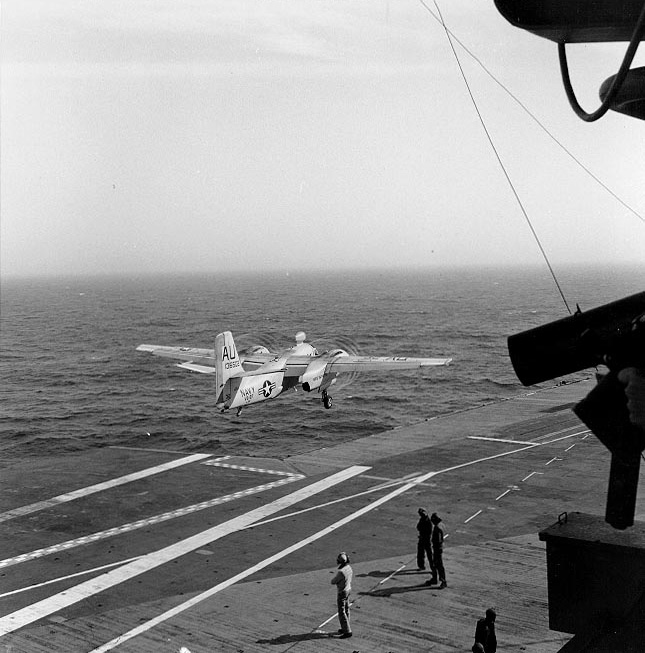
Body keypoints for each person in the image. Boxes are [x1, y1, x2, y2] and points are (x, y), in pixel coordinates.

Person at [331, 551, 353, 638]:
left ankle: (347, 631)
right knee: (347, 609)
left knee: (342, 611)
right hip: (348, 589)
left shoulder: (341, 572)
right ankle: (345, 627)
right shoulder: (349, 568)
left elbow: (333, 581)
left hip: (342, 591)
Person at [426, 512, 446, 588]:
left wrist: (434, 546)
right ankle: (436, 579)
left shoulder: (437, 528)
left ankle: (442, 581)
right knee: (436, 564)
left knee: (438, 565)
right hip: (439, 548)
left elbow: (438, 540)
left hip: (437, 549)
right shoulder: (441, 525)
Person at [416, 508, 436, 581]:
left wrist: (424, 535)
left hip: (426, 539)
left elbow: (427, 531)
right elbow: (418, 527)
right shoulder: (423, 520)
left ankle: (433, 567)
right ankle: (421, 566)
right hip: (423, 538)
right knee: (421, 553)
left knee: (429, 554)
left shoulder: (427, 522)